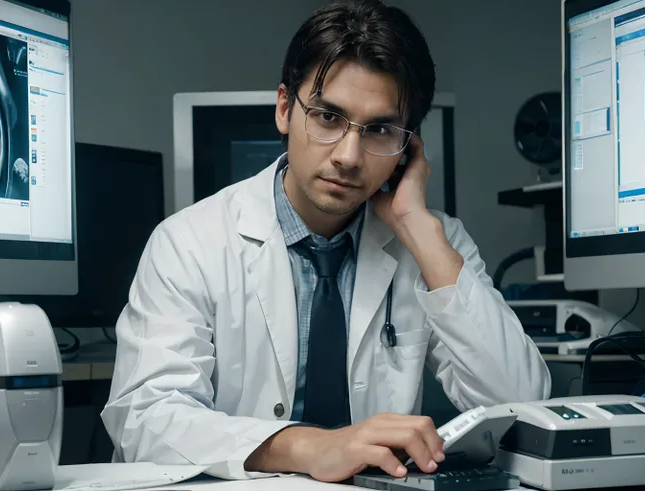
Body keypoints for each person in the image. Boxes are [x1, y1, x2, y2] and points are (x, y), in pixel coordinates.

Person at [101, 0, 552, 483]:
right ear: (283, 109)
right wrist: (309, 446)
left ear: (409, 146)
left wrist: (417, 228)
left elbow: (523, 407)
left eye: (380, 129)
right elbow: (144, 417)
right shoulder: (188, 242)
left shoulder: (431, 242)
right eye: (328, 117)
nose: (349, 156)